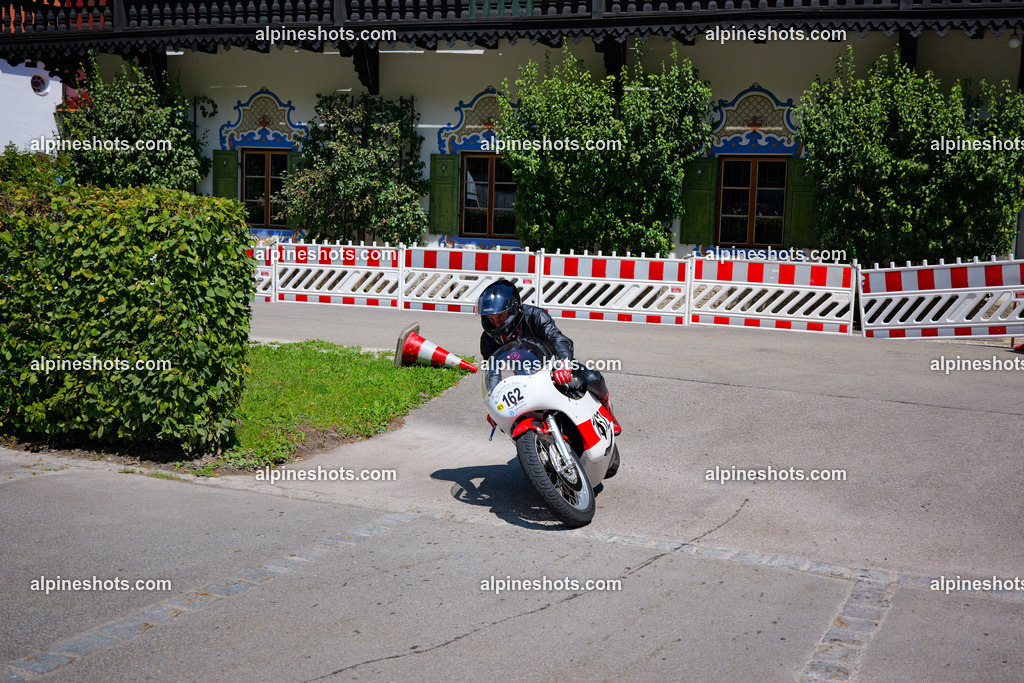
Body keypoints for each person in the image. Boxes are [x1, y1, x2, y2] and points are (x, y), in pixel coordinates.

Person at [476, 278, 621, 437]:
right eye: (491, 319)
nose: (496, 324)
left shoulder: (535, 315)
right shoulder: (487, 339)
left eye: (501, 317)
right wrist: (495, 403)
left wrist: (563, 363)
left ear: (513, 310)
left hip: (555, 363)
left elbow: (558, 338)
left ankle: (606, 408)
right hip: (524, 374)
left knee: (593, 377)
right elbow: (492, 371)